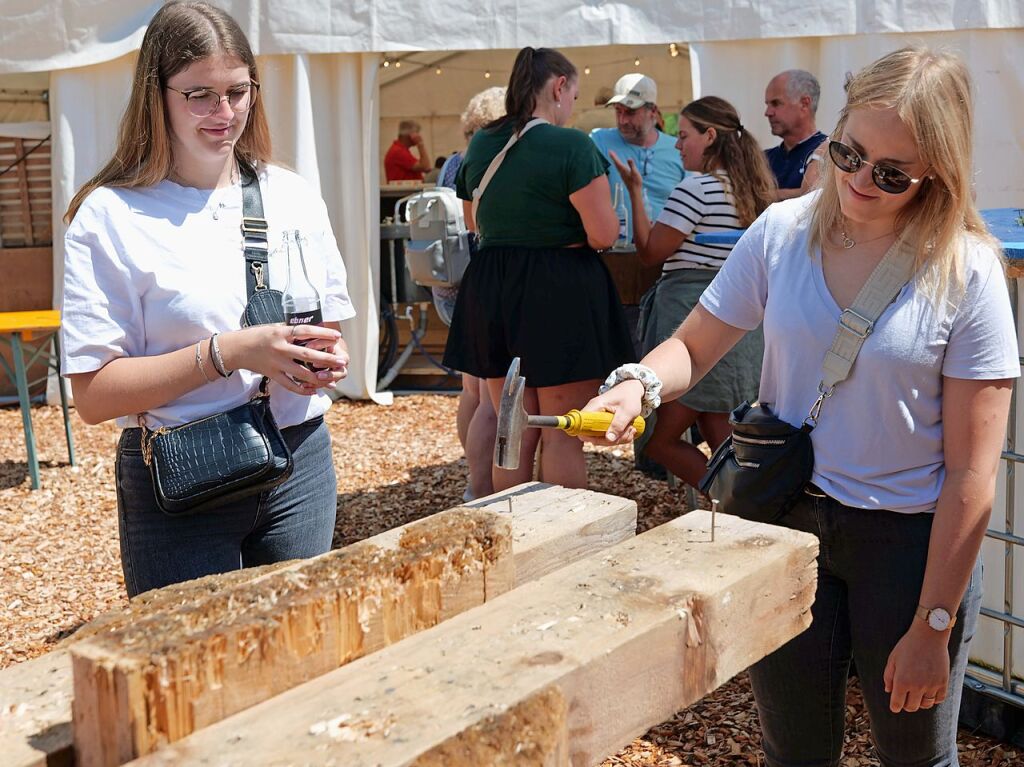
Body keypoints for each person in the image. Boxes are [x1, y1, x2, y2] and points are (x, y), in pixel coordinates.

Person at [585, 47, 1019, 764]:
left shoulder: (966, 270)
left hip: (908, 547)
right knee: (795, 751)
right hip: (786, 524)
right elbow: (695, 345)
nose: (858, 181)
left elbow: (973, 477)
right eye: (849, 153)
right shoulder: (781, 234)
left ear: (938, 169)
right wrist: (638, 382)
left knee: (915, 754)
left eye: (891, 173)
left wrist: (934, 624)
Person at [60, 0, 355, 598]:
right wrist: (228, 352)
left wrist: (320, 358)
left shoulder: (291, 195)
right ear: (156, 95)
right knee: (189, 678)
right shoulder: (111, 215)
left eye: (237, 91)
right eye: (199, 94)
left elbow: (323, 325)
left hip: (300, 462)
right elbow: (93, 396)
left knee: (303, 661)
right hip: (181, 476)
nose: (223, 112)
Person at [443, 46, 636, 492]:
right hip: (559, 289)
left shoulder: (483, 142)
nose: (572, 106)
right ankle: (562, 540)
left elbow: (474, 222)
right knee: (564, 433)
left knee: (513, 432)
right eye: (574, 94)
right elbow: (604, 236)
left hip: (492, 286)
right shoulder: (571, 145)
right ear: (559, 86)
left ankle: (509, 529)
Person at [610, 96, 775, 488]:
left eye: (684, 136)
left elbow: (650, 252)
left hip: (692, 314)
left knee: (662, 437)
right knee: (722, 429)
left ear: (710, 136)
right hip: (741, 325)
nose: (678, 144)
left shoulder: (696, 187)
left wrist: (635, 190)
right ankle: (737, 504)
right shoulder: (753, 190)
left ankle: (732, 502)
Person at [434, 86, 507, 502]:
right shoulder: (490, 163)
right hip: (485, 285)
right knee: (490, 402)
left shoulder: (454, 164)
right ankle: (481, 486)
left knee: (472, 393)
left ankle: (473, 477)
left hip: (454, 287)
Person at [590, 73, 685, 225]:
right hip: (616, 247)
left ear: (653, 111)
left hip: (666, 247)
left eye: (630, 112)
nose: (622, 120)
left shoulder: (678, 149)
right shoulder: (599, 140)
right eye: (618, 111)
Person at [764, 69, 828, 200]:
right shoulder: (762, 159)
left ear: (804, 104)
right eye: (767, 104)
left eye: (776, 103)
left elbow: (816, 200)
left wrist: (768, 196)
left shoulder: (830, 153)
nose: (768, 112)